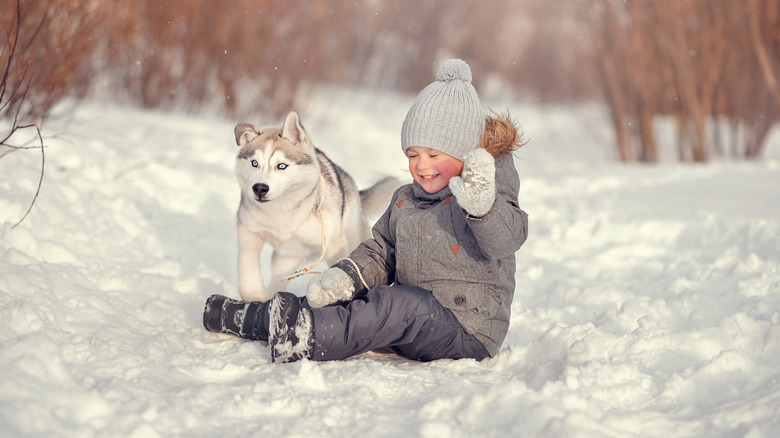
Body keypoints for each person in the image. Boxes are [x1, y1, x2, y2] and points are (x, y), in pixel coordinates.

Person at [203, 58, 529, 363]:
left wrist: (482, 208)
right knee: (355, 303)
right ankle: (260, 317)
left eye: (433, 154)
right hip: (410, 326)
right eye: (413, 155)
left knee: (397, 304)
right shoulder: (406, 199)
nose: (422, 166)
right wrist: (345, 278)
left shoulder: (487, 195)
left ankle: (305, 337)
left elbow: (506, 240)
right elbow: (379, 253)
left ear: (465, 152)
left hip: (467, 333)